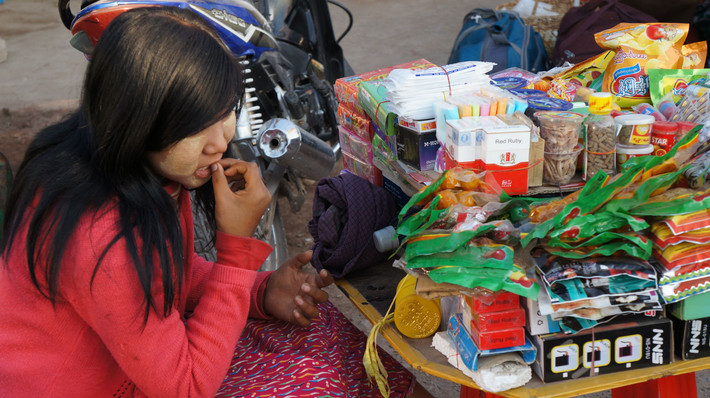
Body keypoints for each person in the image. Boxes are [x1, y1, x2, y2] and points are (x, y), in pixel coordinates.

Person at [0, 6, 422, 397]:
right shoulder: (102, 234)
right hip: (111, 386)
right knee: (315, 384)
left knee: (323, 328)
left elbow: (168, 274)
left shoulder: (133, 166)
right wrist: (236, 255)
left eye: (225, 114)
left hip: (138, 362)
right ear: (143, 118)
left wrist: (262, 290)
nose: (220, 142)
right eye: (197, 125)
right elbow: (187, 387)